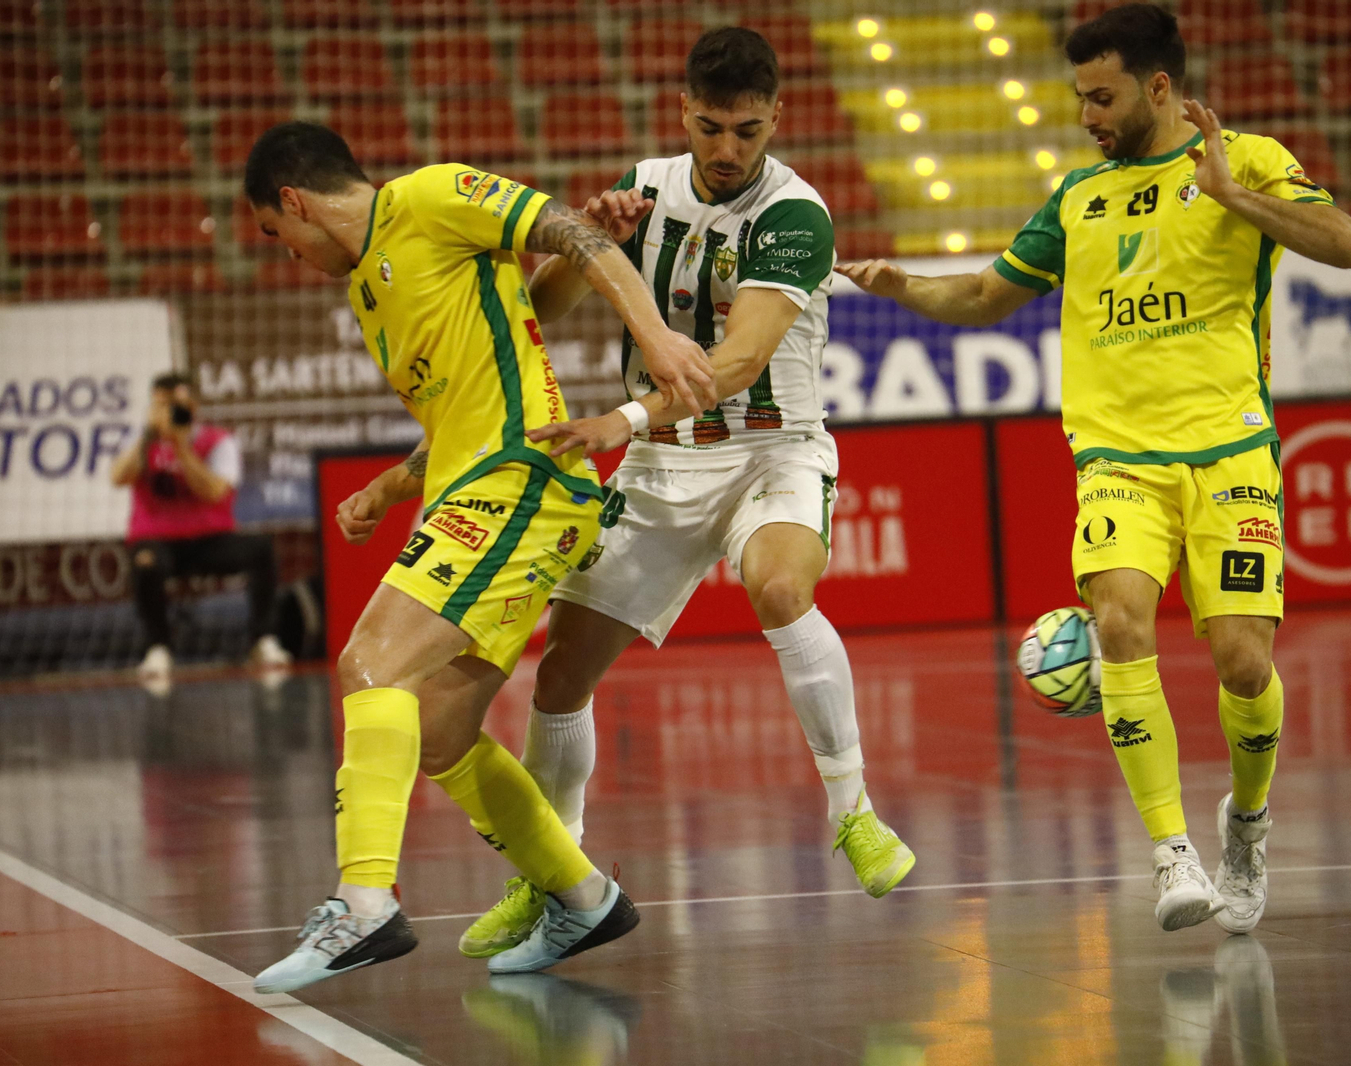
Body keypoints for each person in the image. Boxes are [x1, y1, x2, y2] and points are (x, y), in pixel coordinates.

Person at [838, 3, 1351, 934]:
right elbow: (986, 294)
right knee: (1120, 621)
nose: (1086, 115)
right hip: (1118, 459)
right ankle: (1171, 854)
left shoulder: (1249, 159)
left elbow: (1346, 246)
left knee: (1244, 665)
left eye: (1101, 96)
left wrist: (1236, 198)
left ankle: (1246, 822)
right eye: (1080, 96)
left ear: (1158, 88)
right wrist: (905, 288)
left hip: (1233, 451)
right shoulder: (1078, 200)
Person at [456, 27, 917, 961]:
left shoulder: (797, 215)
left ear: (775, 118)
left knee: (781, 588)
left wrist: (619, 422)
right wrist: (589, 248)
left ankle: (853, 811)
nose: (727, 150)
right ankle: (558, 879)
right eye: (710, 127)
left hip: (770, 451)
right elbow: (536, 314)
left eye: (747, 130)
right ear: (682, 112)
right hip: (665, 467)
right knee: (559, 677)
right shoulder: (646, 186)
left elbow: (739, 360)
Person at [241, 122, 717, 991]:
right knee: (442, 730)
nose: (289, 254)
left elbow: (569, 231)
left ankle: (364, 903)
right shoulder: (369, 294)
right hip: (477, 485)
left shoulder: (428, 197)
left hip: (521, 479)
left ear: (294, 202)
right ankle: (582, 895)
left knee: (368, 665)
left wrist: (654, 339)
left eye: (278, 236)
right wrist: (394, 484)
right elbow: (473, 384)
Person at [110, 372, 292, 684]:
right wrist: (149, 438)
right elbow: (118, 477)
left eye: (177, 404)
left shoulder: (218, 441)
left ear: (193, 406)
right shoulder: (140, 441)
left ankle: (264, 640)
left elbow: (213, 491)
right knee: (144, 562)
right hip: (157, 541)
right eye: (162, 405)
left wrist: (181, 447)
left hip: (209, 540)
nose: (170, 411)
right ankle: (157, 647)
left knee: (260, 549)